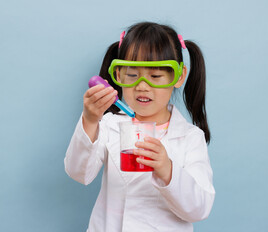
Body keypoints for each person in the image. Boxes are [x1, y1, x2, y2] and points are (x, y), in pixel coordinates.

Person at [64, 22, 215, 232]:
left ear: (178, 77)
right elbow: (78, 173)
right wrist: (90, 121)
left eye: (155, 76)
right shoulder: (110, 124)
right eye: (132, 75)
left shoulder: (190, 138)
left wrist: (167, 170)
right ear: (118, 75)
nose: (142, 86)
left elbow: (199, 209)